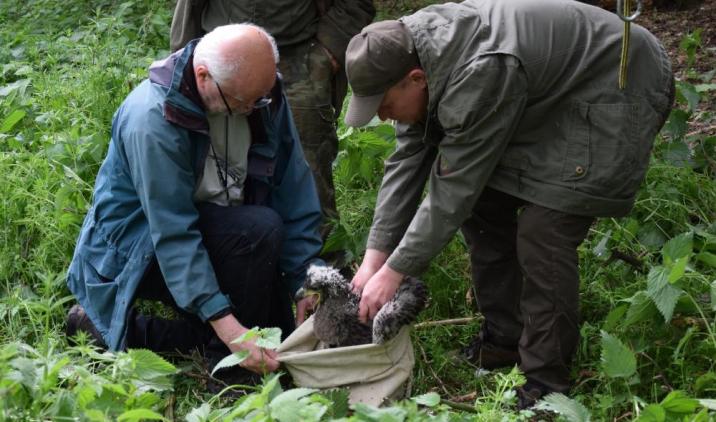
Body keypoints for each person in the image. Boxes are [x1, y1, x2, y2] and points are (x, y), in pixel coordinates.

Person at [344, 0, 674, 408]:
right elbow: (407, 161)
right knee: (485, 207)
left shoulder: (479, 71)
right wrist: (374, 258)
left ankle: (545, 383)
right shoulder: (414, 55)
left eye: (385, 106)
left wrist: (395, 272)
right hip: (543, 89)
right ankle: (507, 337)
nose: (383, 117)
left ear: (415, 79)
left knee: (544, 232)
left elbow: (454, 187)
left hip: (616, 79)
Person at [65, 24, 324, 382]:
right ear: (203, 76)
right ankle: (229, 372)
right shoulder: (152, 120)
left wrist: (304, 280)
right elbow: (173, 234)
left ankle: (195, 338)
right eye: (241, 103)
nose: (252, 109)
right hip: (143, 250)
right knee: (258, 239)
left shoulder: (260, 93)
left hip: (222, 231)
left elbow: (292, 187)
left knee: (278, 329)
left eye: (259, 99)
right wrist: (229, 328)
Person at [170, 0, 375, 245]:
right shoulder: (148, 118)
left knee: (308, 173)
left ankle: (319, 271)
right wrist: (183, 67)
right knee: (207, 166)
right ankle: (225, 258)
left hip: (299, 57)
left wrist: (328, 51)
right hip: (221, 62)